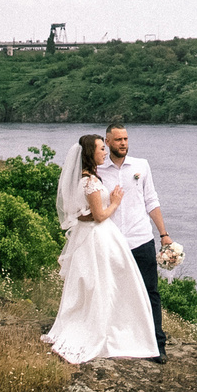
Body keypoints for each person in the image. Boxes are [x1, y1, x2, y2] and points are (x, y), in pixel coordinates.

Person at [42, 133, 159, 364]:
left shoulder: (88, 179)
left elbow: (82, 213)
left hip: (94, 235)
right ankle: (107, 331)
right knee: (105, 284)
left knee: (101, 284)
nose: (105, 152)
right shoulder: (90, 182)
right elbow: (99, 215)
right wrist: (115, 202)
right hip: (98, 237)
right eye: (101, 149)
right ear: (91, 153)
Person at [99, 120, 175, 362]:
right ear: (107, 142)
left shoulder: (141, 165)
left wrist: (163, 234)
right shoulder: (98, 170)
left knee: (150, 292)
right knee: (112, 293)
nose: (123, 143)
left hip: (141, 239)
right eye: (118, 139)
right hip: (111, 241)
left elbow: (151, 200)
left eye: (126, 139)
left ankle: (157, 346)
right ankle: (117, 342)